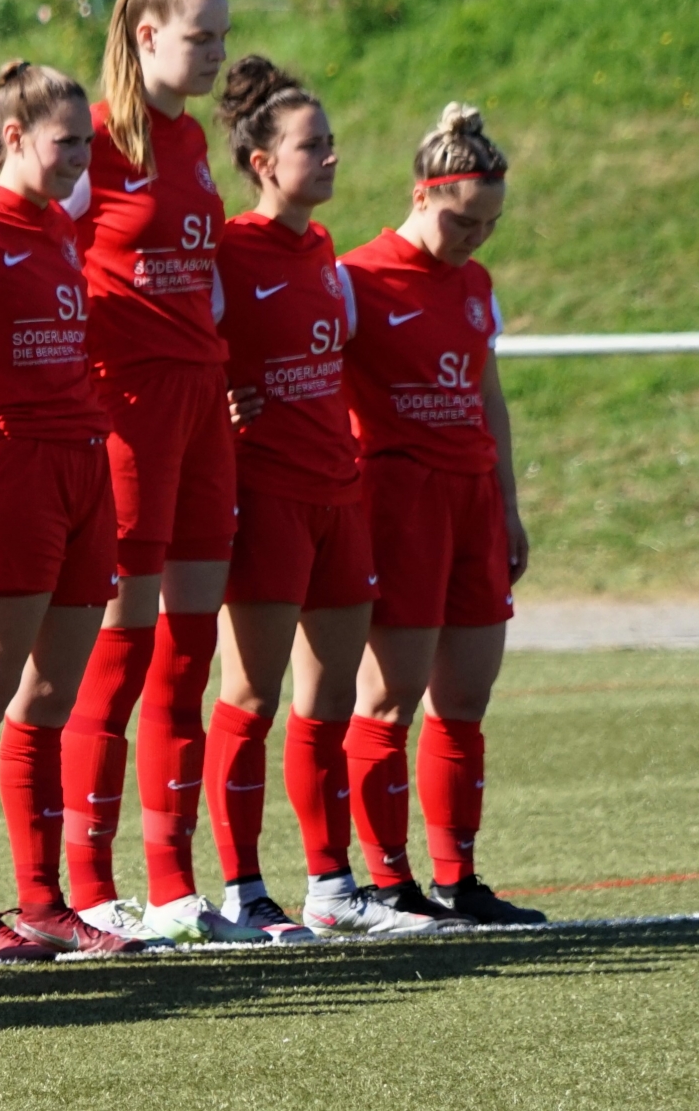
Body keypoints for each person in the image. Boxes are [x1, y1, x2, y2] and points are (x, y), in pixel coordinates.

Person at [205, 57, 453, 940]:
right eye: (313, 146)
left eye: (331, 142)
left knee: (330, 702)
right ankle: (242, 889)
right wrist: (218, 406)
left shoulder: (323, 254)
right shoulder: (225, 252)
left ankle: (331, 884)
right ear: (263, 162)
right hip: (267, 496)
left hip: (338, 497)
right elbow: (174, 354)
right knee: (251, 696)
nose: (332, 156)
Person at [0, 61, 141, 961]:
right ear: (13, 136)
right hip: (8, 472)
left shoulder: (60, 222)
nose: (81, 157)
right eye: (64, 141)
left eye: (87, 141)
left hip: (85, 469)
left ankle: (44, 903)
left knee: (48, 699)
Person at [60, 0, 266, 945]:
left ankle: (176, 886)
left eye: (222, 34)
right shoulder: (90, 143)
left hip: (201, 411)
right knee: (121, 651)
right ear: (146, 36)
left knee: (189, 653)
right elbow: (15, 248)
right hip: (128, 413)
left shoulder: (187, 142)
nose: (218, 52)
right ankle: (90, 885)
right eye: (200, 35)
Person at [340, 104, 546, 926]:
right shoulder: (356, 279)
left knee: (464, 699)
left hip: (472, 503)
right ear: (422, 194)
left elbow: (487, 395)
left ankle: (459, 877)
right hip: (399, 502)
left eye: (490, 225)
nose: (475, 238)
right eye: (464, 221)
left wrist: (508, 503)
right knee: (389, 696)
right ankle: (389, 882)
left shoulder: (475, 285)